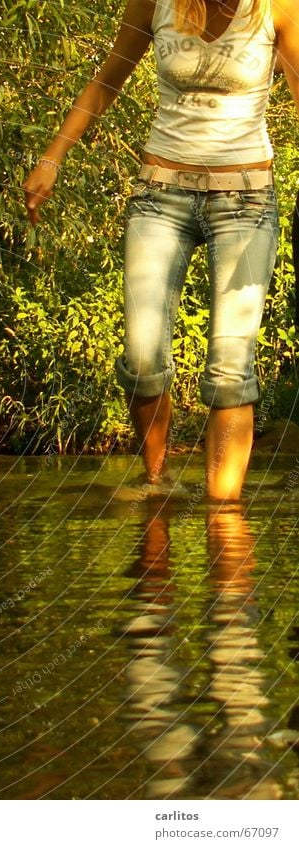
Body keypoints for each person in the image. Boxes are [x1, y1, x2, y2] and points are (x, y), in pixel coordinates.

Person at [23, 0, 299, 500]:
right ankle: (157, 485)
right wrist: (52, 157)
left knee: (231, 364)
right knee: (143, 356)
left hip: (247, 202)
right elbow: (107, 80)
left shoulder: (279, 8)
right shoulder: (157, 2)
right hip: (160, 196)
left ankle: (224, 514)